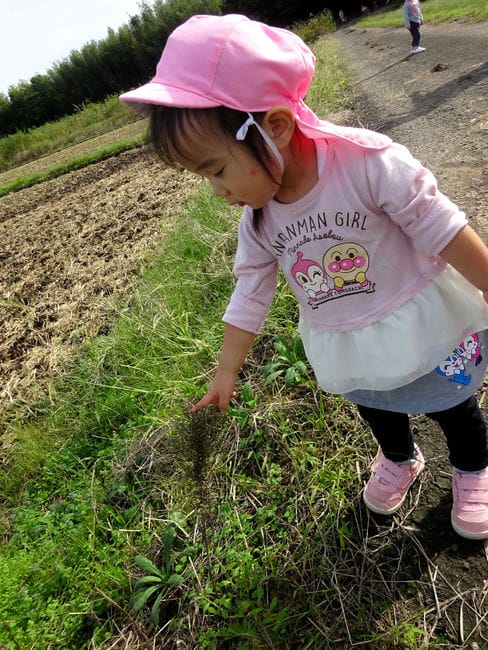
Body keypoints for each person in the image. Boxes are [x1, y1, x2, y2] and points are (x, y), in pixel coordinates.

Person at [120, 14, 488, 540]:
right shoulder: (261, 217)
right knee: (375, 404)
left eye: (217, 170)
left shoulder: (367, 164)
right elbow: (250, 292)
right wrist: (226, 372)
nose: (217, 191)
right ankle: (400, 458)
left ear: (275, 127)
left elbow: (441, 227)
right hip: (350, 340)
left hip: (420, 317)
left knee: (453, 403)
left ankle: (473, 470)